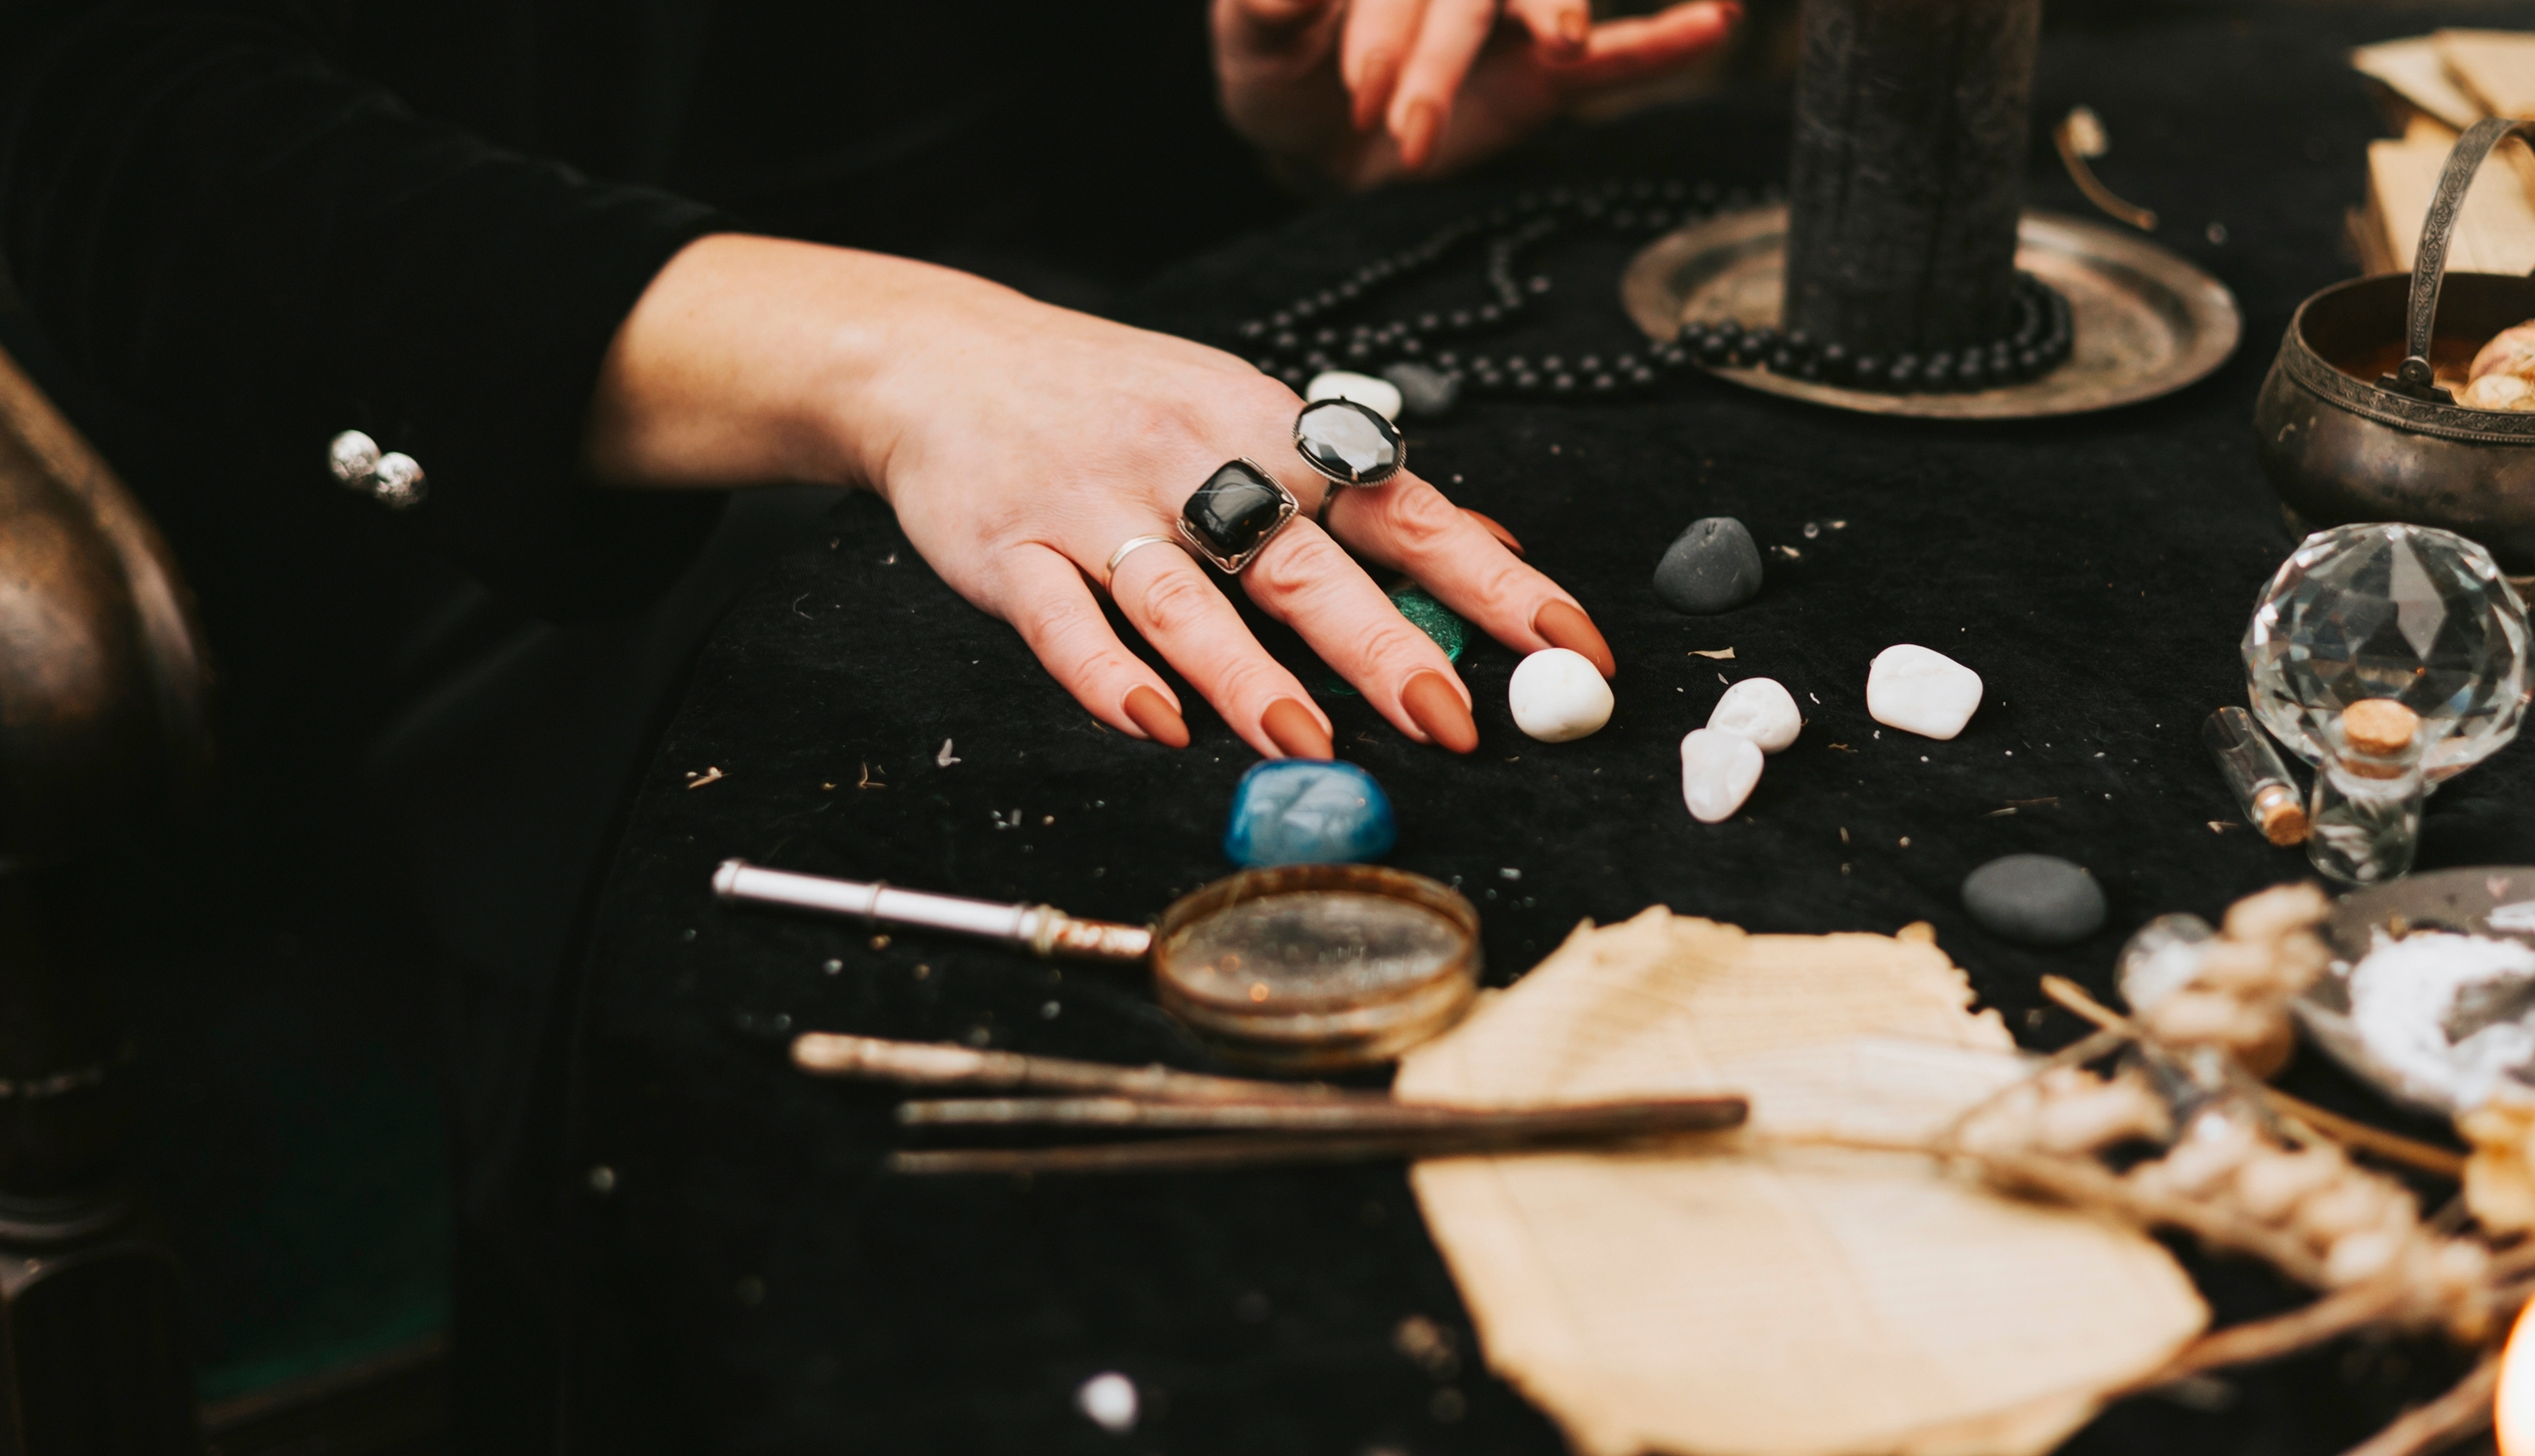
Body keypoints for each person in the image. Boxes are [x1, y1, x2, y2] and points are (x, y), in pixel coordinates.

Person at [0, 0, 1737, 1441]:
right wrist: (888, 358)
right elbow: (104, 124)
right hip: (415, 484)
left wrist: (1264, 97)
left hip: (1076, 341)